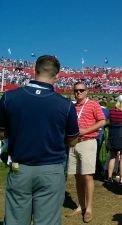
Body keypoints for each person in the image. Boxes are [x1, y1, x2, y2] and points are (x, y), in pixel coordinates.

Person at [0, 55, 79, 225]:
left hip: (19, 167)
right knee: (48, 221)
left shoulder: (9, 98)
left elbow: (2, 132)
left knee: (15, 220)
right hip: (51, 168)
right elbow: (72, 140)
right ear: (57, 75)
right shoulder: (65, 105)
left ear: (34, 71)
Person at [67, 82, 106, 223]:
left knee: (87, 176)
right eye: (76, 90)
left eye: (81, 90)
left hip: (87, 142)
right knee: (77, 177)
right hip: (73, 144)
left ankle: (89, 208)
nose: (78, 92)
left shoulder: (93, 104)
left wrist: (85, 131)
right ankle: (80, 205)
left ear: (86, 91)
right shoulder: (72, 106)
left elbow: (102, 121)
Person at [105, 95, 122, 186]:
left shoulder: (111, 111)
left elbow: (108, 120)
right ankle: (121, 178)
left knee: (112, 157)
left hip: (113, 135)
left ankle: (109, 178)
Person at [95, 101, 110, 179]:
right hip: (101, 131)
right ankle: (99, 168)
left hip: (94, 130)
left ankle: (98, 168)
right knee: (97, 151)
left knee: (94, 152)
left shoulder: (96, 109)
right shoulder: (107, 111)